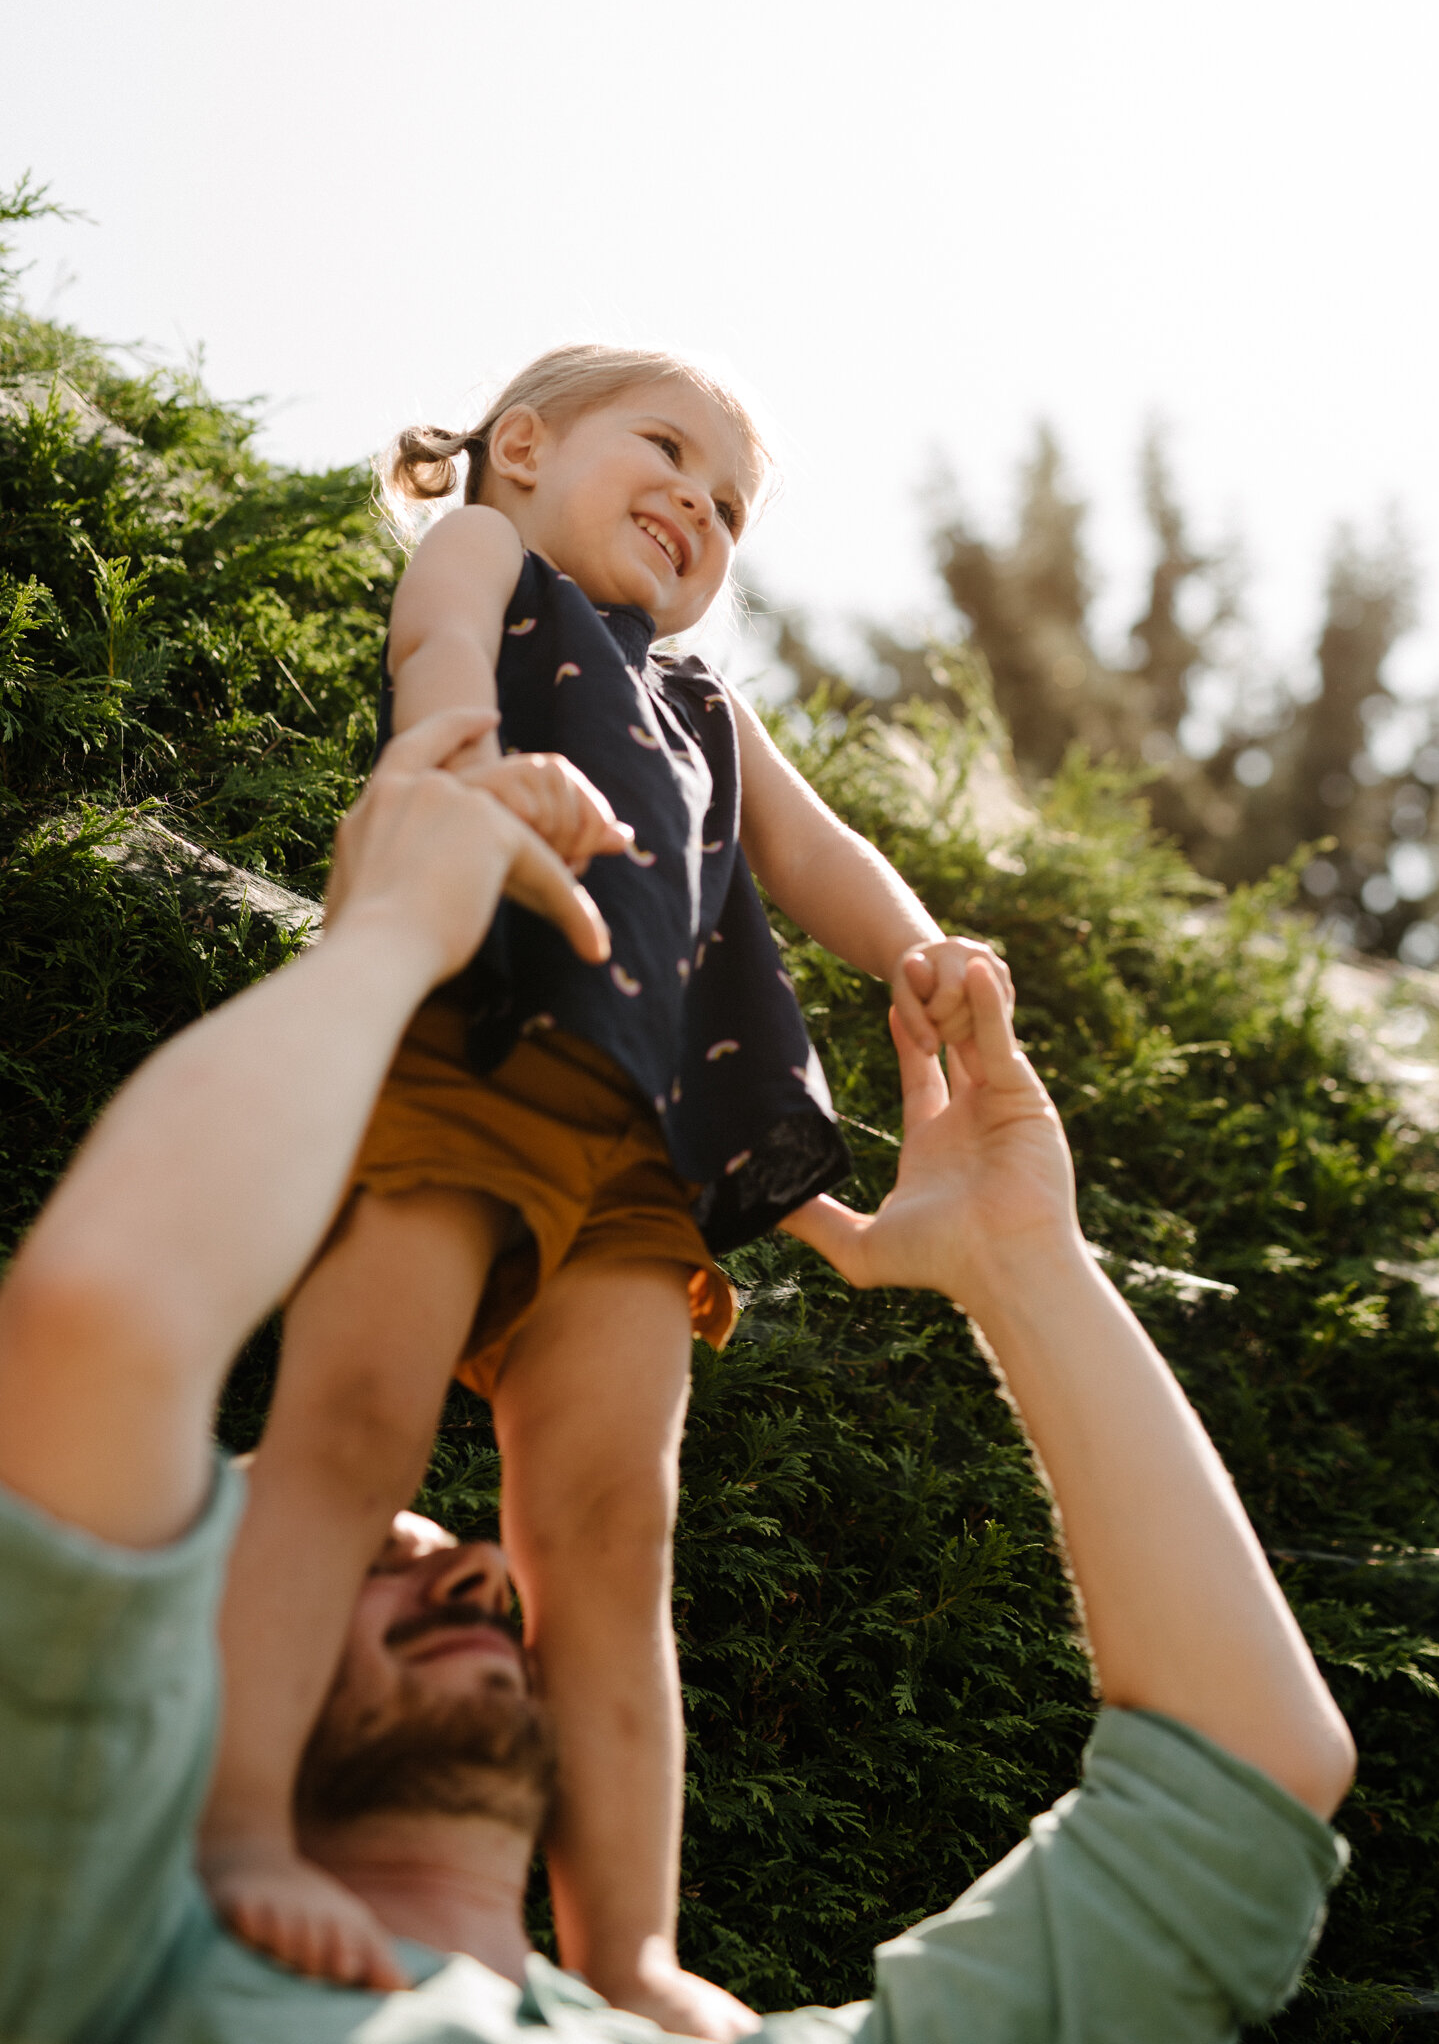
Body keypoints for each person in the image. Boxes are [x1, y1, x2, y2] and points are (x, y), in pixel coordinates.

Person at [0, 707, 1356, 2044]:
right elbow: (100, 1329)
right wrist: (393, 943)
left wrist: (1025, 1263)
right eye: (366, 1558)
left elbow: (1250, 1772)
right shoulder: (88, 1955)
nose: (480, 1573)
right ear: (132, 1687)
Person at [198, 345, 1012, 2030]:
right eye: (667, 454)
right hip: (472, 1037)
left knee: (611, 1527)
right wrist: (449, 754)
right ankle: (243, 1825)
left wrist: (918, 947)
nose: (696, 510)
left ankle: (629, 1947)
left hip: (641, 1142)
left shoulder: (706, 701)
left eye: (727, 510)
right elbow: (432, 650)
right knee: (352, 1423)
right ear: (518, 450)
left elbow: (810, 853)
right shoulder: (483, 559)